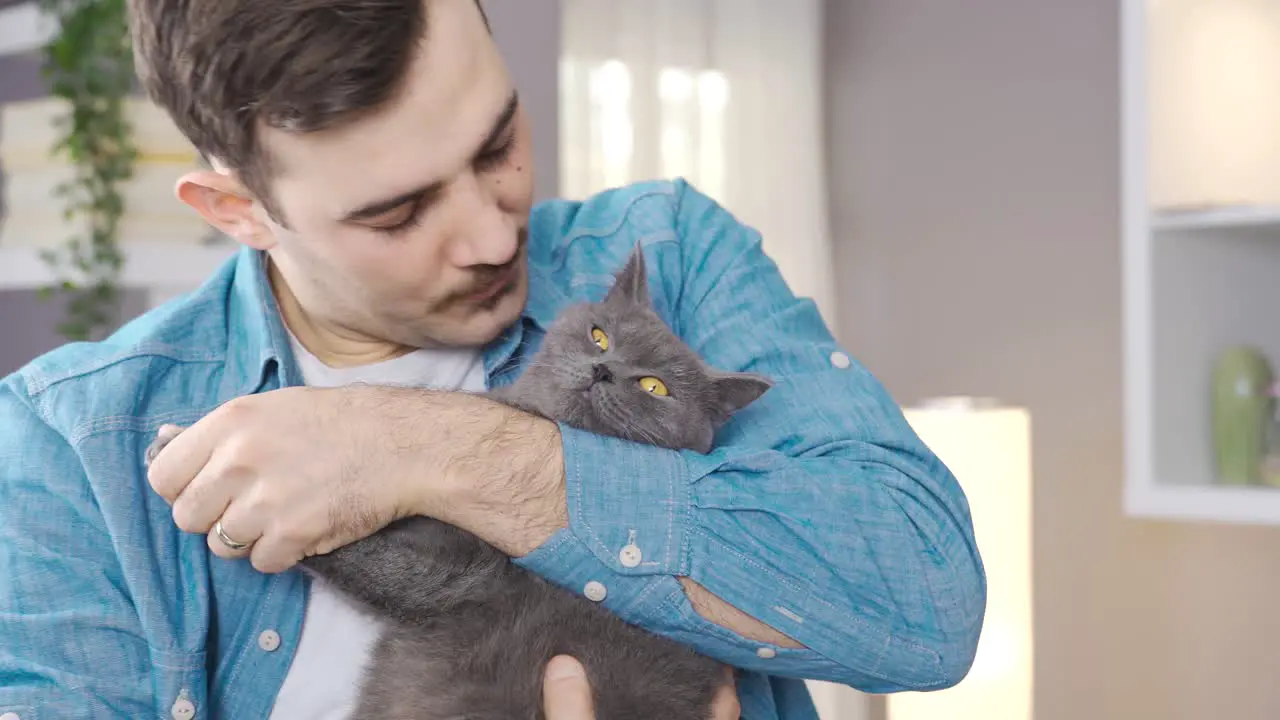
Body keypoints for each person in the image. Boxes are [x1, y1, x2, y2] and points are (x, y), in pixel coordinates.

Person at [0, 0, 987, 717]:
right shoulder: (72, 444)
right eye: (397, 212)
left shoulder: (667, 255)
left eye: (496, 143)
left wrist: (430, 450)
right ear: (238, 211)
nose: (486, 236)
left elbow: (925, 602)